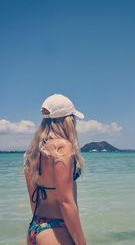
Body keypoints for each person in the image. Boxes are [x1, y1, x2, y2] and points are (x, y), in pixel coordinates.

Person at [24, 93, 87, 245]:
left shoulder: (33, 152)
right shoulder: (63, 148)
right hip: (56, 230)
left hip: (36, 227)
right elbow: (65, 202)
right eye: (73, 118)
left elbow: (34, 201)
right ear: (67, 120)